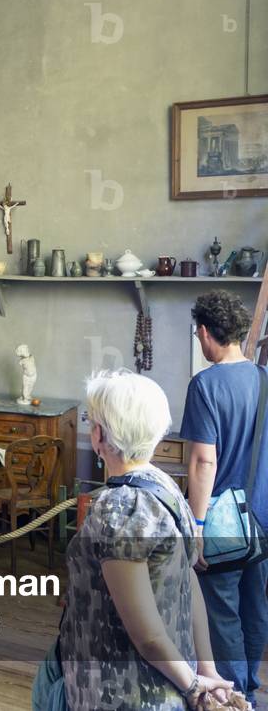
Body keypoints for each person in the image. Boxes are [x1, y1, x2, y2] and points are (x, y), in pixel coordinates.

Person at [59, 370, 233, 710]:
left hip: (123, 693)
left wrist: (196, 685)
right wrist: (205, 669)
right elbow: (189, 583)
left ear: (98, 435)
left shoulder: (120, 508)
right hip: (165, 683)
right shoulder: (167, 488)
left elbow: (148, 636)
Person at [182, 290, 268, 705]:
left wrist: (195, 528)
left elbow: (202, 464)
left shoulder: (205, 386)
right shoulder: (265, 381)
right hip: (264, 520)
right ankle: (251, 684)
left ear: (204, 332)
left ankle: (234, 696)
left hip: (222, 526)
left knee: (223, 614)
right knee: (256, 607)